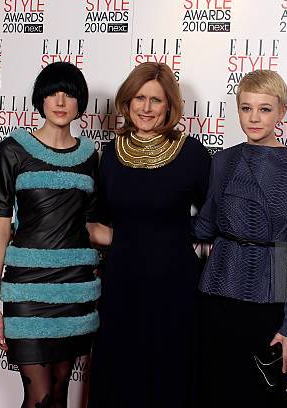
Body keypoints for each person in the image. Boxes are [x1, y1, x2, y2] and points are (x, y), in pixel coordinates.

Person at [87, 62, 211, 408]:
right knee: (121, 371)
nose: (146, 108)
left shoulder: (192, 154)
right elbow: (98, 221)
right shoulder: (111, 154)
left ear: (170, 106)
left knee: (169, 374)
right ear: (126, 102)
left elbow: (212, 218)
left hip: (175, 285)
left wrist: (170, 237)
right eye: (139, 98)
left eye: (155, 101)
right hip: (122, 282)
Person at [193, 69, 287, 407]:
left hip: (268, 304)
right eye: (246, 108)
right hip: (216, 295)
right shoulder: (222, 160)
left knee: (259, 396)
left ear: (282, 111)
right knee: (213, 391)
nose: (254, 117)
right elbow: (204, 225)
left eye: (264, 109)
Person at [0, 61, 100, 408]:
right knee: (39, 396)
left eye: (69, 94)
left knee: (61, 393)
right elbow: (1, 228)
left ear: (81, 102)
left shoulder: (90, 156)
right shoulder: (14, 150)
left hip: (75, 288)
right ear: (41, 100)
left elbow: (93, 225)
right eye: (52, 93)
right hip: (27, 289)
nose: (60, 101)